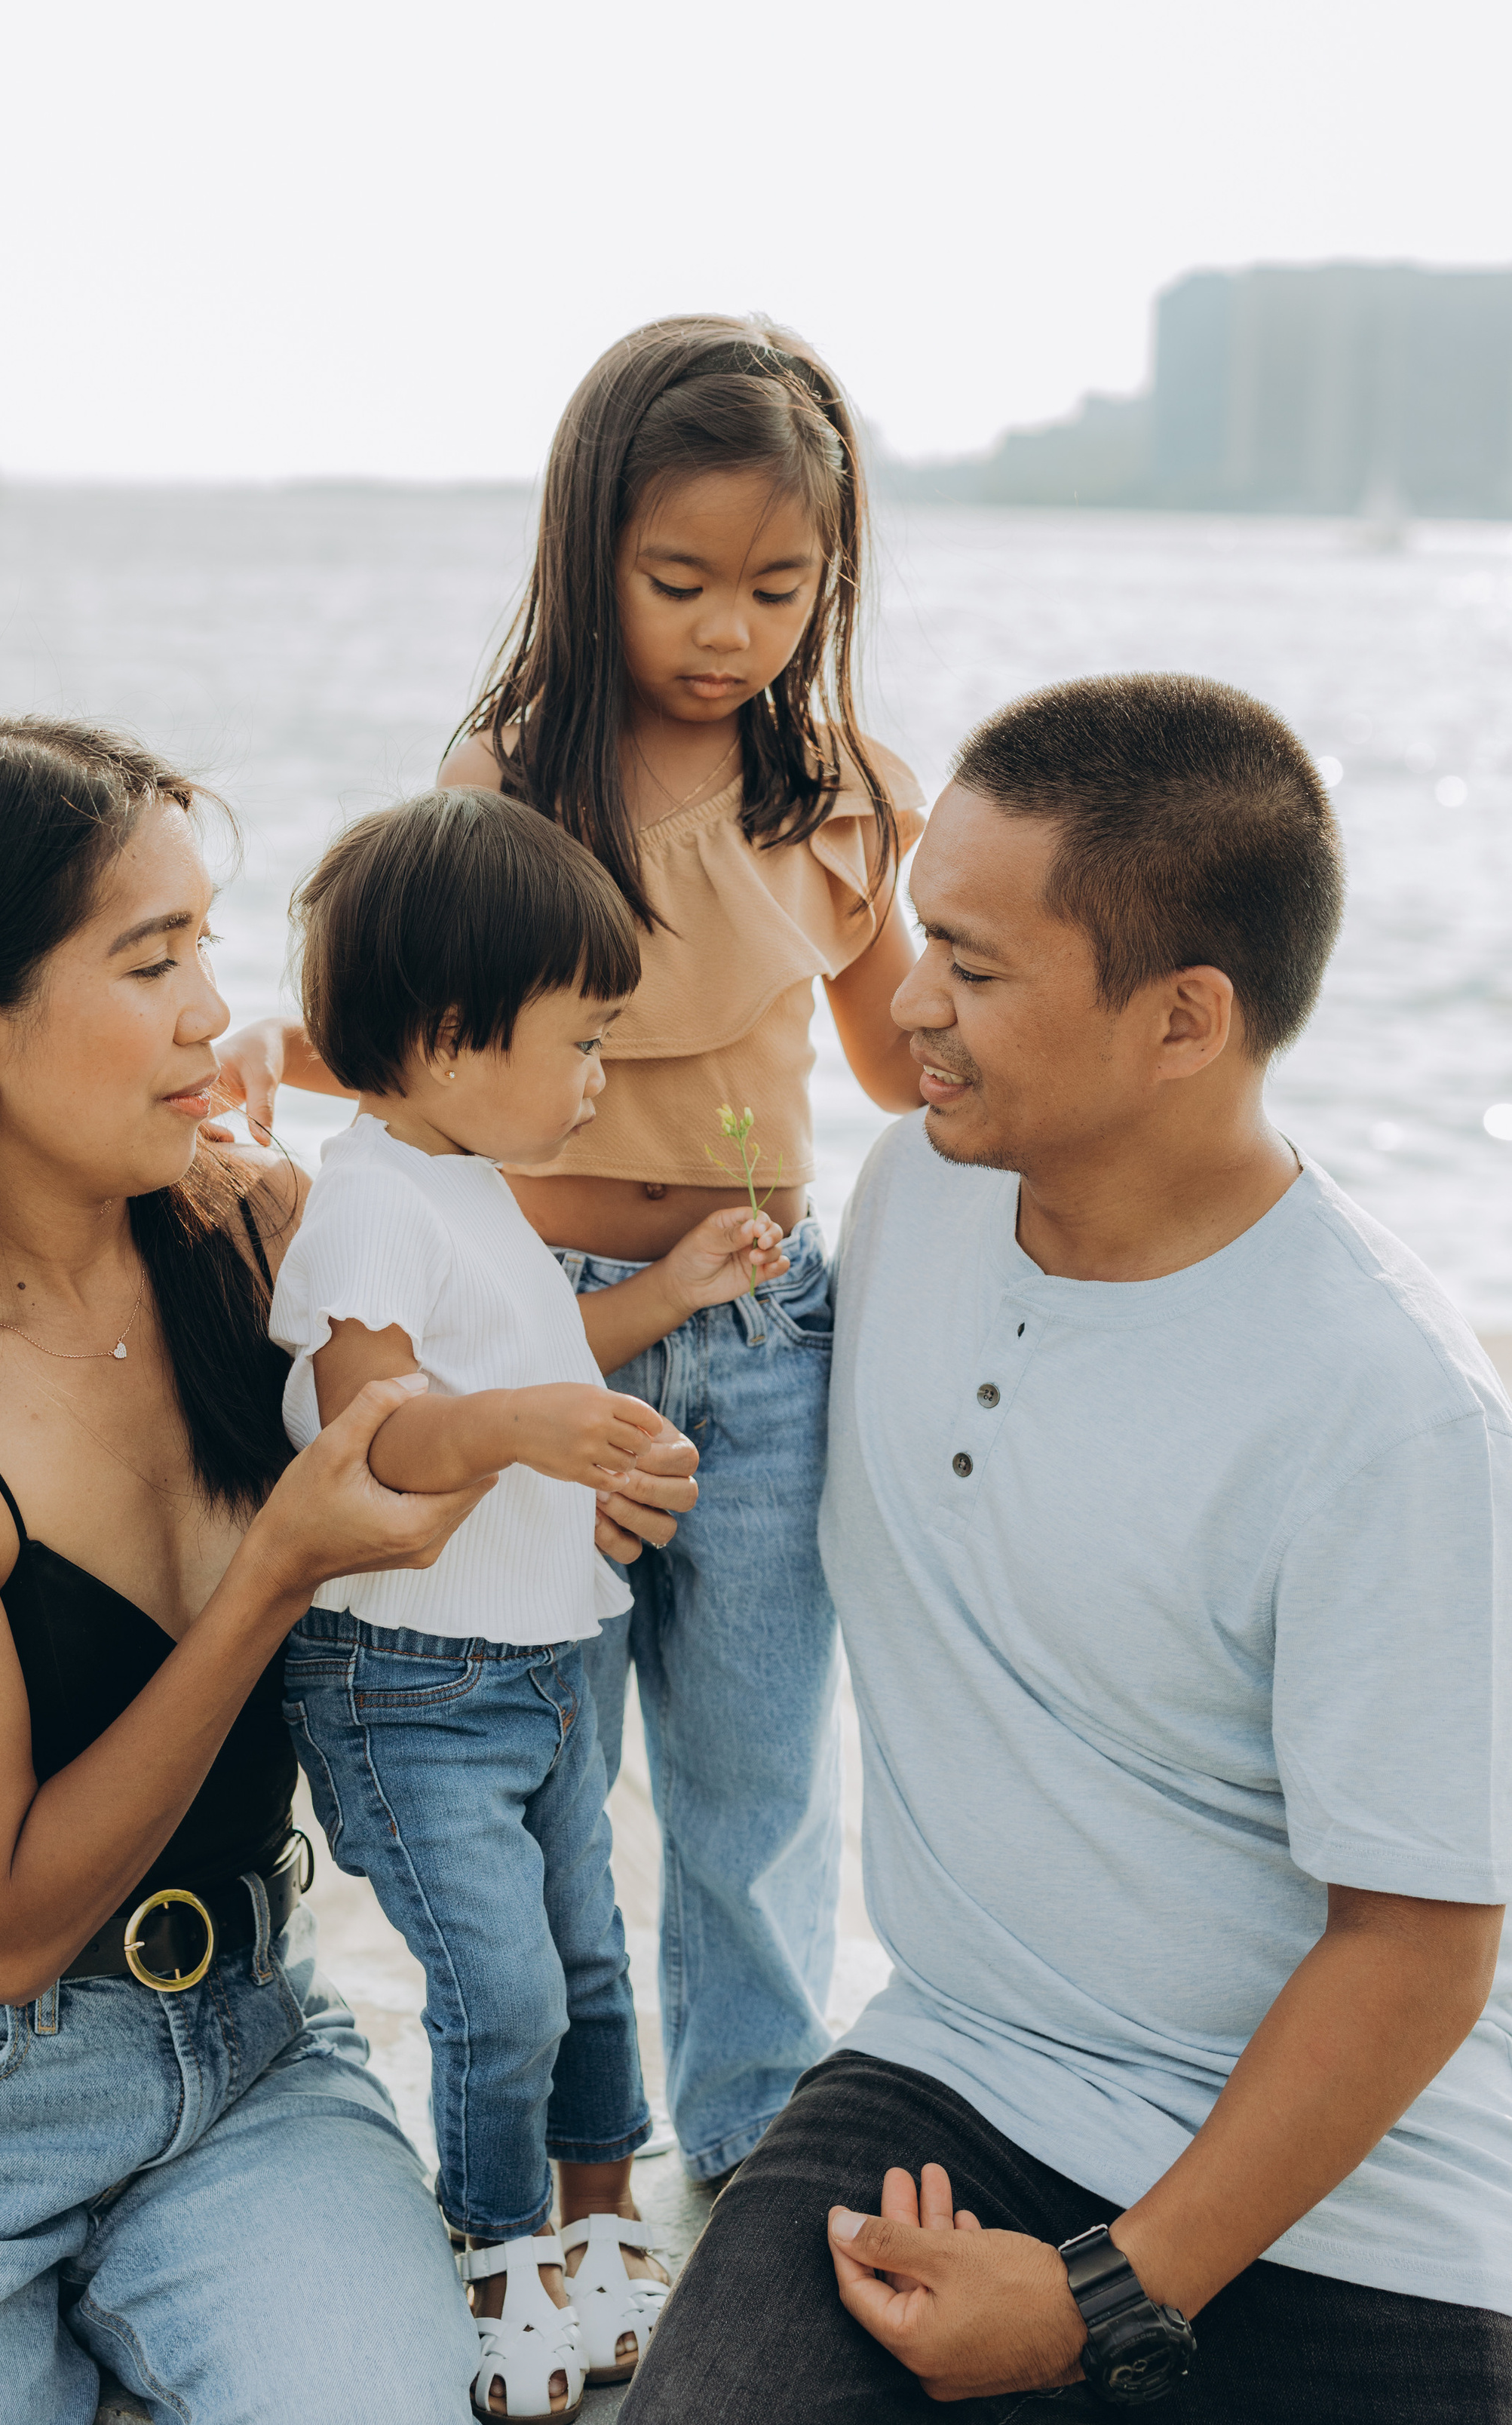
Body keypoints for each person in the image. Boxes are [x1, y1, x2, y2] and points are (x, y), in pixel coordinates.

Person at [628, 672, 1512, 2423]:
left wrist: (1108, 2291)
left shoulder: (1387, 1410)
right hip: (952, 2085)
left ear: (1181, 1021)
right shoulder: (911, 1193)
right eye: (917, 938)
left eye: (970, 966)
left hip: (1356, 2205)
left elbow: (1417, 1940)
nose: (905, 1001)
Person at [0, 713, 575, 2425]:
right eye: (151, 960)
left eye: (207, 949)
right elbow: (2, 1926)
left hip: (245, 2054)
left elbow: (514, 1130)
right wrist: (274, 1576)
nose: (207, 1011)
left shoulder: (260, 1237)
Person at [217, 316, 927, 2184]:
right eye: (677, 581)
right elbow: (423, 1039)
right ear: (588, 547)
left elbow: (898, 1066)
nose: (727, 630)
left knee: (755, 1773)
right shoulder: (516, 774)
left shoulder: (837, 794)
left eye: (779, 587)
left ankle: (753, 2137)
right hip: (541, 1337)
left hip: (760, 1337)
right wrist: (262, 1049)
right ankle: (559, 2157)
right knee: (550, 1760)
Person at [270, 787, 789, 2417]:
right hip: (412, 1684)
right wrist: (523, 1433)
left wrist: (670, 1296)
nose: (596, 1082)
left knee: (586, 1965)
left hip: (542, 1665)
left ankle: (598, 2227)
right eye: (581, 1043)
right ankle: (496, 2255)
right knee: (499, 1994)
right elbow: (376, 1432)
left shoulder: (467, 1182)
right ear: (445, 1037)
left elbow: (538, 1360)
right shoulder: (368, 1201)